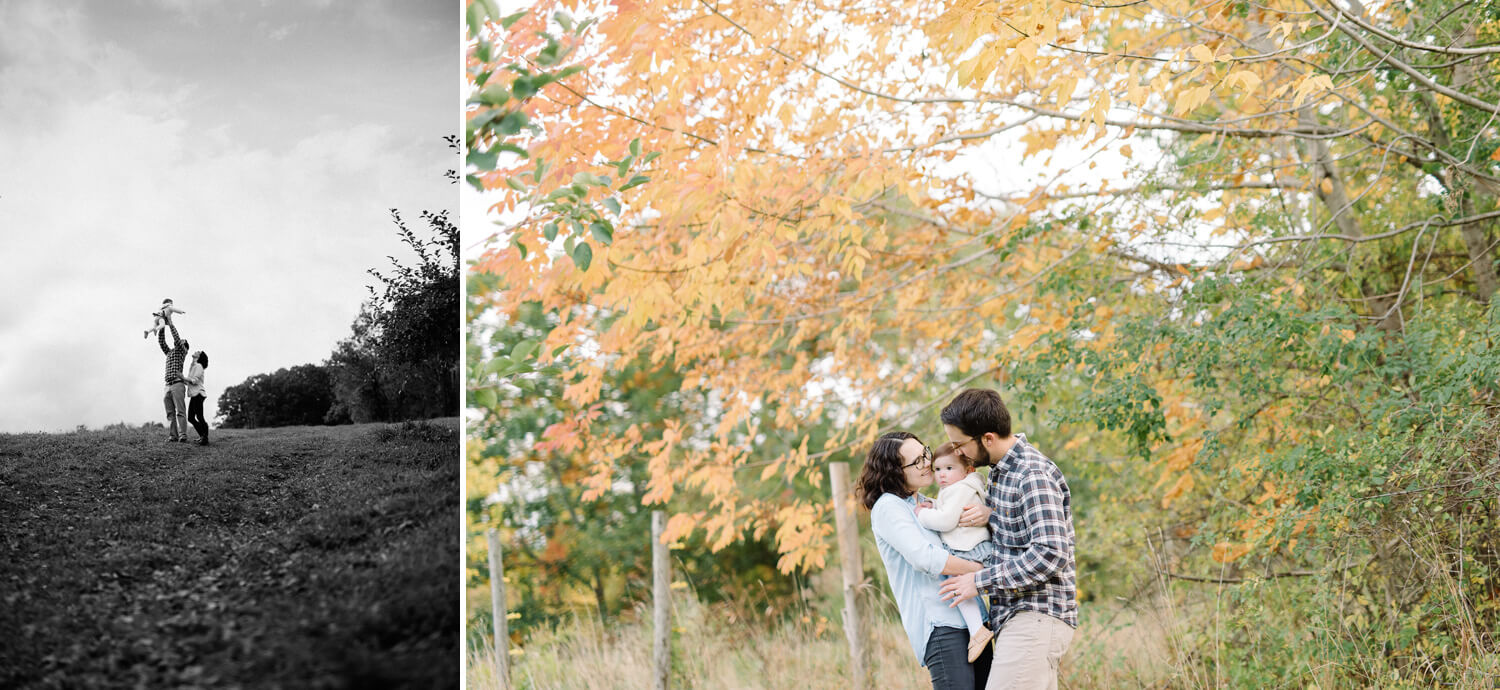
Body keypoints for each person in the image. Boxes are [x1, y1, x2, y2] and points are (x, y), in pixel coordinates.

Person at [936, 389, 1077, 690]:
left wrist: (978, 581)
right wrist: (993, 515)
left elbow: (1051, 552)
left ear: (987, 438)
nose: (957, 453)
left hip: (1036, 614)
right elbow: (1023, 533)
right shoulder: (1001, 474)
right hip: (1019, 617)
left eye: (960, 445)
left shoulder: (1031, 473)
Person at [857, 431, 992, 689]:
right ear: (894, 471)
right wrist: (979, 571)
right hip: (941, 624)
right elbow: (925, 558)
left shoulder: (929, 503)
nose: (927, 463)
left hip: (976, 621)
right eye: (917, 460)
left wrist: (986, 514)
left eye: (925, 454)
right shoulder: (889, 507)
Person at [915, 442, 997, 661]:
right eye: (938, 469)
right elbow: (947, 509)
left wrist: (921, 515)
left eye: (949, 468)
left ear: (968, 469)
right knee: (960, 588)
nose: (942, 475)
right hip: (971, 546)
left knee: (956, 587)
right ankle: (979, 629)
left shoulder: (960, 489)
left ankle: (977, 631)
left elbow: (946, 520)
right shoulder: (959, 488)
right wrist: (933, 505)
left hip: (969, 549)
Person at [158, 315, 190, 442]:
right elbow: (162, 342)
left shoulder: (182, 351)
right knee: (170, 413)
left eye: (182, 342)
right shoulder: (170, 353)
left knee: (180, 411)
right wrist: (162, 325)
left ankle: (183, 435)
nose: (179, 342)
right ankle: (173, 436)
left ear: (185, 347)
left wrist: (170, 323)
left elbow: (176, 339)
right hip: (167, 385)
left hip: (177, 384)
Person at [183, 350, 210, 446]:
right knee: (191, 417)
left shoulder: (199, 366)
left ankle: (204, 437)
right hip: (194, 394)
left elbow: (194, 380)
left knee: (199, 417)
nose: (196, 351)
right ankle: (203, 436)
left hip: (198, 394)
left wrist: (182, 378)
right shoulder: (194, 366)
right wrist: (181, 380)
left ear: (199, 357)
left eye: (198, 352)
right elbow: (189, 381)